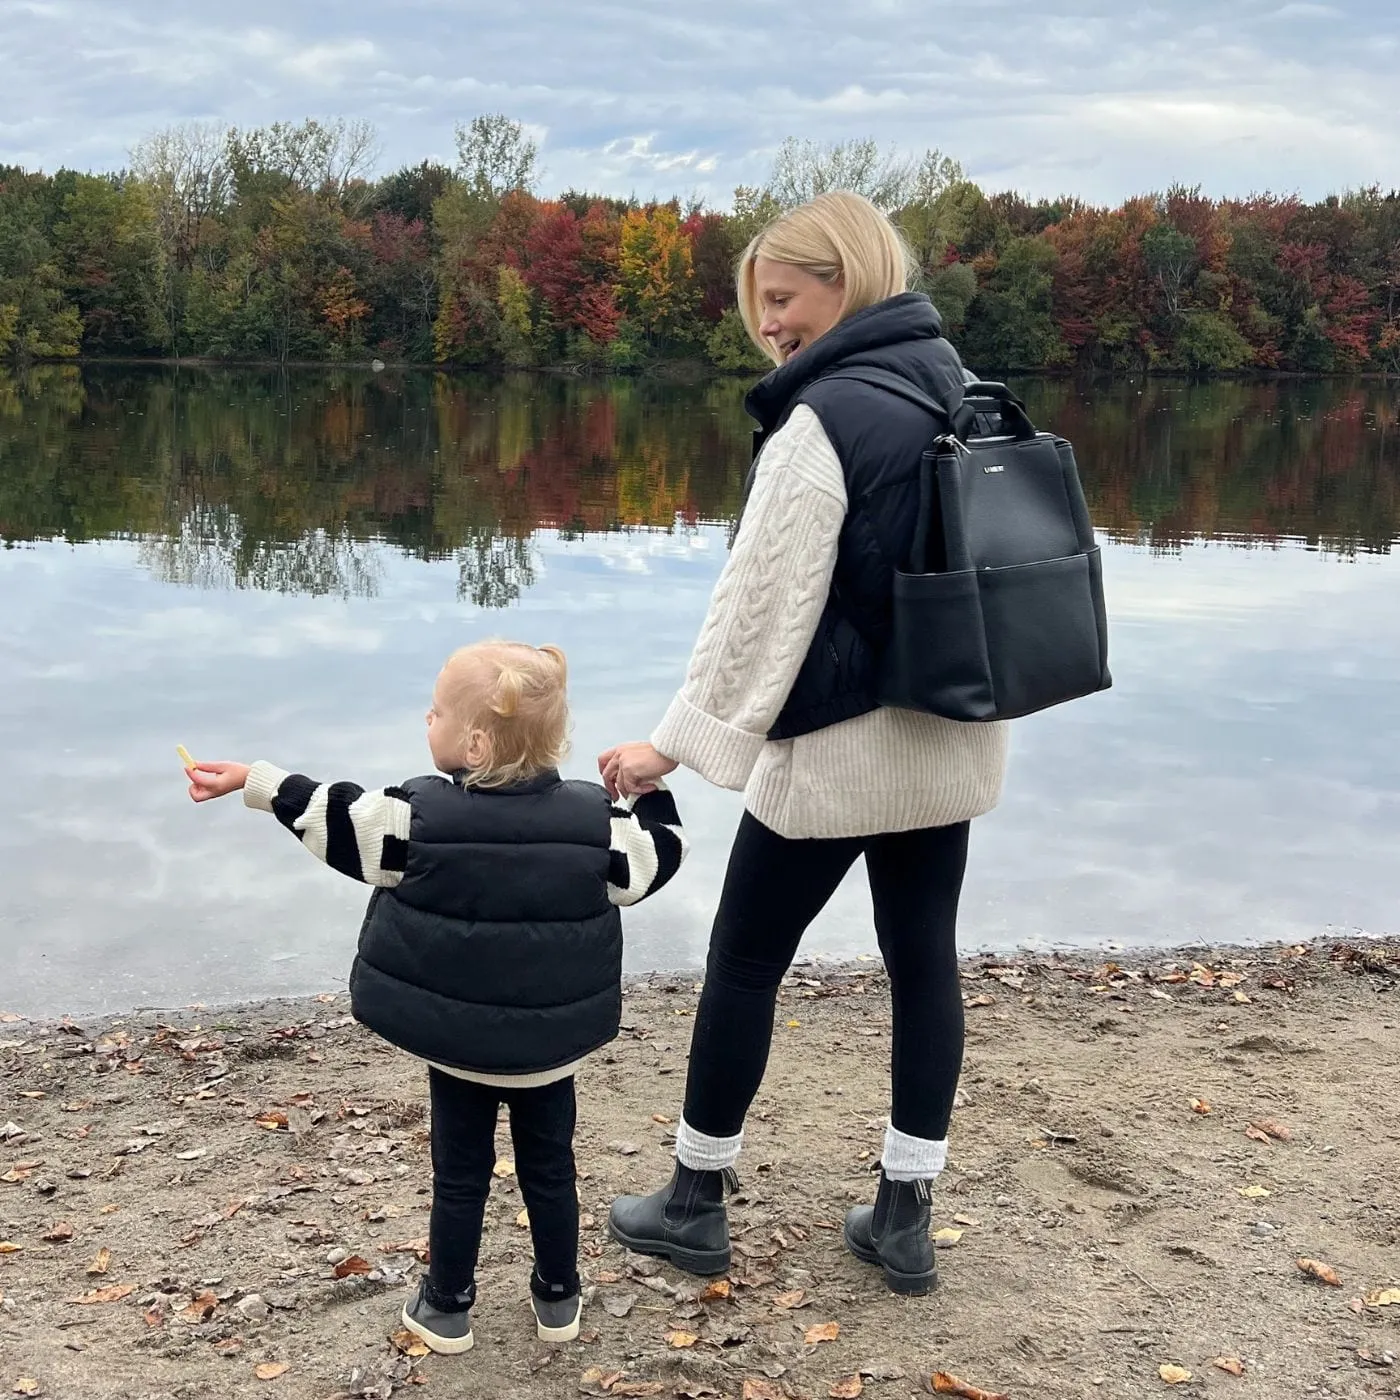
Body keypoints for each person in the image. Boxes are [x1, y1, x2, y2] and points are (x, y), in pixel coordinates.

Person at [598, 192, 1008, 1297]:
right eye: (758, 308)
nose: (768, 324)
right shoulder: (961, 388)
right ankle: (904, 1213)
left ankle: (691, 1199)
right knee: (923, 959)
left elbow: (757, 609)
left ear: (845, 281)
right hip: (951, 731)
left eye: (780, 299)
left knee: (743, 958)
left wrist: (670, 748)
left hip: (837, 747)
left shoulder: (823, 416)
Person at [182, 641, 686, 1351]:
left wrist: (254, 780)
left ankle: (448, 1306)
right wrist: (653, 795)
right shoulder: (596, 828)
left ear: (474, 743)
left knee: (459, 1176)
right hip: (551, 1053)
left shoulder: (411, 822)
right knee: (550, 1171)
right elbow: (661, 856)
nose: (428, 716)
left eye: (437, 710)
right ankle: (558, 1301)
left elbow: (329, 814)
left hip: (458, 1051)